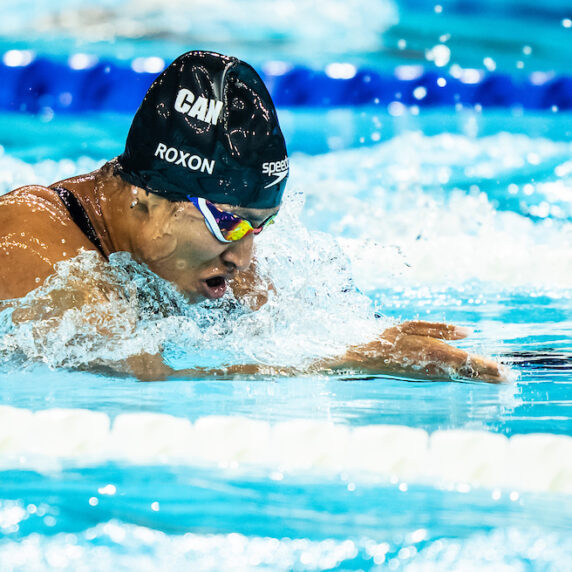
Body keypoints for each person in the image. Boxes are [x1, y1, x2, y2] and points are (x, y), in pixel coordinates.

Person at [0, 51, 506, 383]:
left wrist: (378, 343)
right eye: (229, 223)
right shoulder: (34, 247)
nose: (244, 256)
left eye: (258, 226)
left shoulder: (210, 257)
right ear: (147, 200)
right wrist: (345, 360)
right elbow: (148, 383)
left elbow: (289, 330)